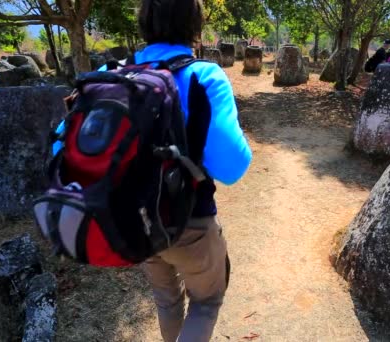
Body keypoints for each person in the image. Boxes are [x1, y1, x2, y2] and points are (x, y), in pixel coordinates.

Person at [117, 1, 251, 341]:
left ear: (144, 22)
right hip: (189, 221)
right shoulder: (204, 76)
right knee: (206, 302)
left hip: (138, 221)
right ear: (195, 24)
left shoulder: (119, 72)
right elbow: (232, 166)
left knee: (166, 299)